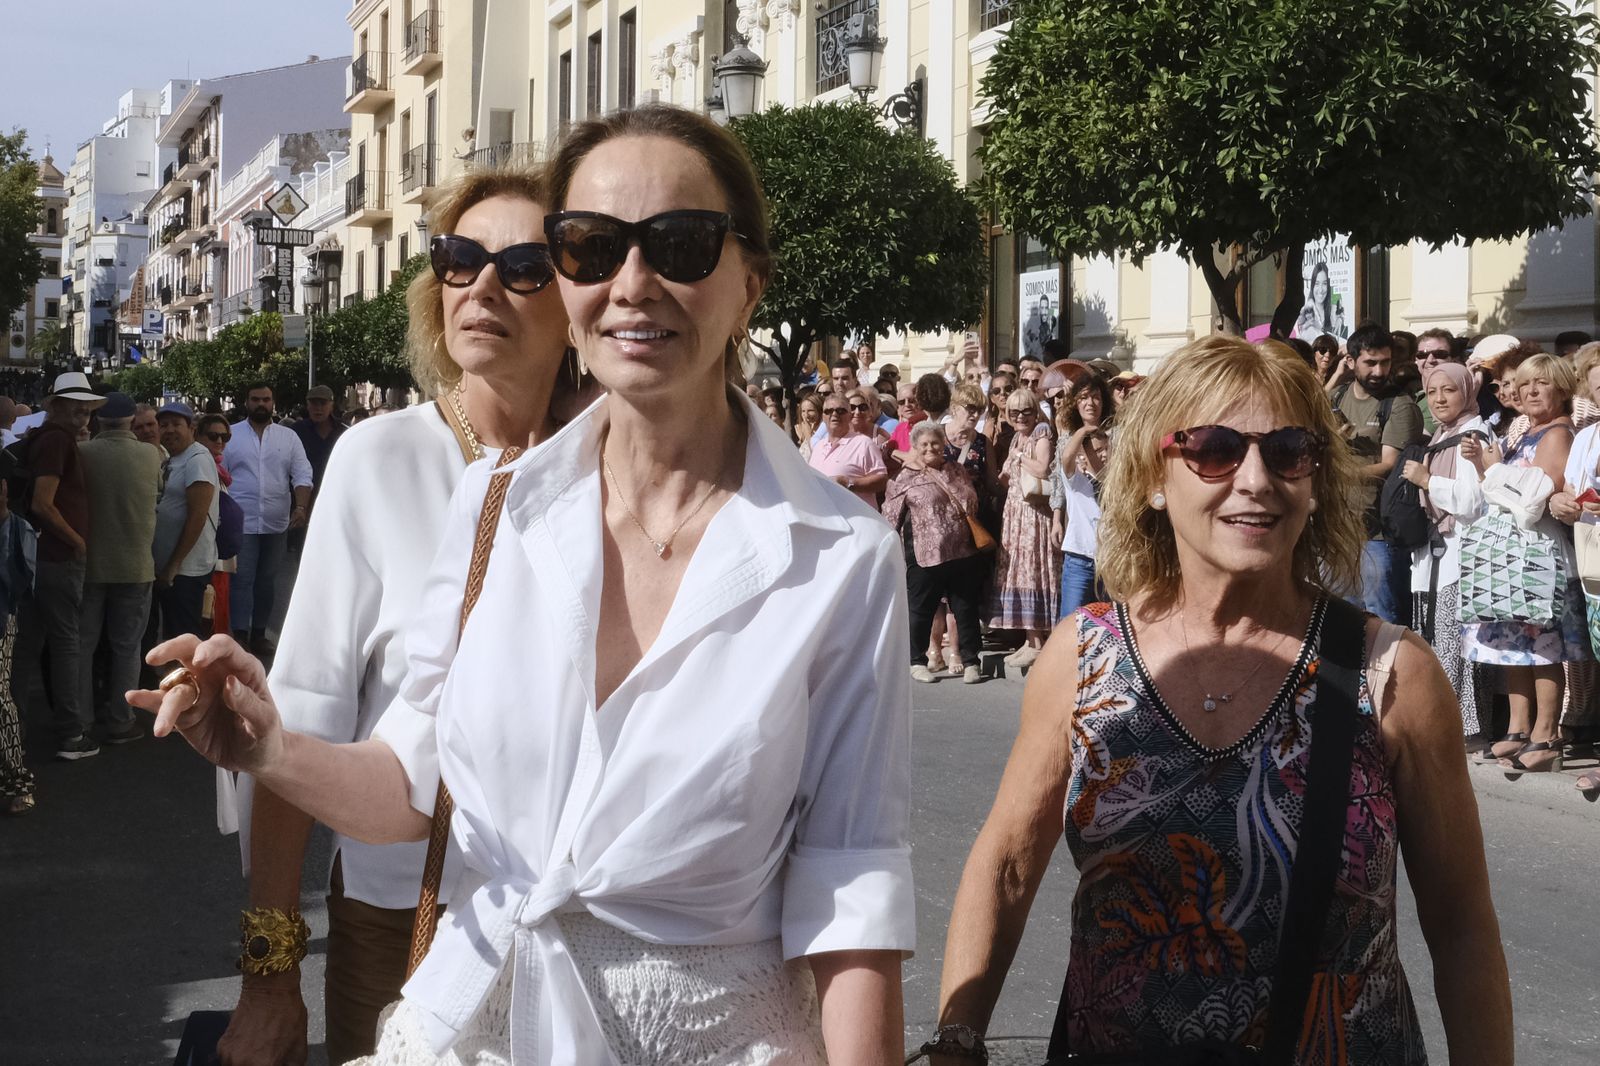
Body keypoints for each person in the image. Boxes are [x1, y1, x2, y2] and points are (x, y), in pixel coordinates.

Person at [137, 102, 912, 1065]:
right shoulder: (493, 509)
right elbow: (413, 784)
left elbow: (852, 890)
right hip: (470, 1027)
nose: (634, 283)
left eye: (680, 244)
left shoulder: (842, 556)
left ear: (749, 283)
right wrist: (272, 748)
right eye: (592, 246)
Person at [927, 335, 1510, 1065]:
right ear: (1152, 477)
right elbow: (1008, 866)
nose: (1256, 479)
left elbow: (1460, 924)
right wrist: (956, 1039)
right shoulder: (1082, 656)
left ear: (1316, 478)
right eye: (1215, 449)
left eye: (1289, 450)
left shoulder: (1392, 673)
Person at [219, 163, 576, 1066]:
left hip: (583, 931)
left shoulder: (618, 465)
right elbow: (299, 723)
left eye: (526, 264)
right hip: (404, 920)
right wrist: (269, 973)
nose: (483, 285)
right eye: (460, 259)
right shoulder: (379, 457)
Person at [1462, 353, 1591, 775]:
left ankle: (1546, 733)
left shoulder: (1557, 433)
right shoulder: (1524, 433)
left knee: (1543, 647)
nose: (1531, 391)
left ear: (1562, 390)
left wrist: (1493, 469)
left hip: (1540, 556)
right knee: (1514, 645)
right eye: (1526, 384)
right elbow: (1504, 491)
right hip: (1511, 557)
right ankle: (1518, 729)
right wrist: (1487, 468)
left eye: (1543, 384)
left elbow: (1533, 501)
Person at [13, 372, 103, 761]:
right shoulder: (57, 441)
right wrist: (76, 540)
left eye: (86, 412)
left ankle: (13, 730)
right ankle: (71, 733)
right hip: (56, 558)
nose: (83, 418)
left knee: (27, 645)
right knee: (66, 643)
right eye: (76, 410)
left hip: (35, 557)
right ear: (56, 408)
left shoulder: (42, 438)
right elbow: (42, 503)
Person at [1399, 363, 1489, 738]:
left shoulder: (1472, 435)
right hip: (1434, 557)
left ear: (1467, 392)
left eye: (1449, 390)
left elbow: (1471, 501)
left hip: (1459, 557)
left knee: (1458, 645)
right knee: (1437, 642)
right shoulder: (1441, 435)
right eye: (1432, 391)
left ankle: (1463, 727)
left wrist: (1427, 480)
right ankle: (1440, 720)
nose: (1438, 399)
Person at [77, 392, 164, 746]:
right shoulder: (151, 455)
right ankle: (120, 719)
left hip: (88, 564)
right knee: (127, 647)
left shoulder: (82, 453)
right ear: (131, 421)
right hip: (136, 564)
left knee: (82, 646)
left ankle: (80, 721)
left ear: (97, 420)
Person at [1331, 324, 1424, 624]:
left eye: (1385, 362)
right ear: (1352, 361)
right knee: (1340, 617)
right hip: (1338, 529)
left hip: (1378, 533)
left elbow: (1389, 465)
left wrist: (1336, 471)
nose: (1379, 371)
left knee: (1380, 619)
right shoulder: (1338, 396)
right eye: (1370, 362)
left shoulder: (1398, 404)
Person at [883, 422, 985, 685]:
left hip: (962, 550)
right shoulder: (905, 478)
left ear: (944, 444)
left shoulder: (956, 470)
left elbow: (972, 500)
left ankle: (972, 661)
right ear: (915, 447)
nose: (931, 448)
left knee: (965, 608)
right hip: (925, 554)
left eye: (935, 443)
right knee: (921, 609)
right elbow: (890, 517)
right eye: (924, 444)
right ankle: (916, 661)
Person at [223, 384, 313, 656]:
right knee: (242, 580)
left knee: (267, 581)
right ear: (246, 402)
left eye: (266, 399)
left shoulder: (288, 438)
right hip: (242, 522)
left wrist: (301, 507)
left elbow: (302, 474)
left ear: (273, 402)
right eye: (255, 399)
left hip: (276, 522)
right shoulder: (231, 435)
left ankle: (259, 633)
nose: (261, 404)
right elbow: (219, 474)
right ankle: (239, 634)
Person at [988, 386, 1059, 669]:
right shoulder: (1019, 435)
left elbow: (1043, 469)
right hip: (1016, 512)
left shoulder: (1041, 431)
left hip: (1034, 514)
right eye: (1014, 412)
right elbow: (1006, 478)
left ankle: (1039, 642)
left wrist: (1018, 457)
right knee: (1019, 571)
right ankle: (1030, 640)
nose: (1020, 416)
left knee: (1034, 572)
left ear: (1035, 411)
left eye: (1026, 411)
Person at [152, 402, 220, 642]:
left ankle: (191, 680)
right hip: (171, 569)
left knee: (184, 639)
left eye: (176, 424)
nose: (169, 430)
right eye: (164, 425)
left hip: (186, 570)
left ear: (191, 428)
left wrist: (173, 566)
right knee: (172, 635)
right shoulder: (174, 458)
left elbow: (197, 517)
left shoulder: (197, 459)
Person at [1051, 372, 1112, 619]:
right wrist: (1084, 431)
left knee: (1109, 622)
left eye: (1096, 397)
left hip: (1109, 557)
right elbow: (1064, 462)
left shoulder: (1113, 442)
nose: (1090, 403)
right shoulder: (1074, 471)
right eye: (1084, 398)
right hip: (1079, 556)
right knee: (1070, 623)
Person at [0, 477, 36, 814]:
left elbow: (21, 582)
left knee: (0, 700)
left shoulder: (17, 528)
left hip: (1, 620)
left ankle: (18, 782)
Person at [810, 389, 888, 507]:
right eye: (829, 411)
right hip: (824, 517)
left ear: (850, 416)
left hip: (856, 520)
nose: (834, 414)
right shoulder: (818, 447)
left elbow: (882, 480)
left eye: (841, 411)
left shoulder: (864, 443)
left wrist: (849, 483)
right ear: (823, 416)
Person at [291, 384, 347, 507]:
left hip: (335, 499)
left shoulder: (344, 433)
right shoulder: (295, 432)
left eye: (323, 403)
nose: (318, 408)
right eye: (314, 403)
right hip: (301, 501)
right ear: (308, 405)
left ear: (331, 405)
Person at [1295, 260, 1349, 341]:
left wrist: (1340, 319)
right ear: (1312, 286)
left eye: (1324, 283)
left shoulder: (1334, 315)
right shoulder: (1305, 315)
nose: (1320, 289)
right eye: (1317, 284)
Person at [794, 392, 821, 462]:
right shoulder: (804, 432)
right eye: (803, 411)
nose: (806, 415)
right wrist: (803, 439)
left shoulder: (825, 433)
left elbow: (818, 457)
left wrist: (808, 435)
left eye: (810, 411)